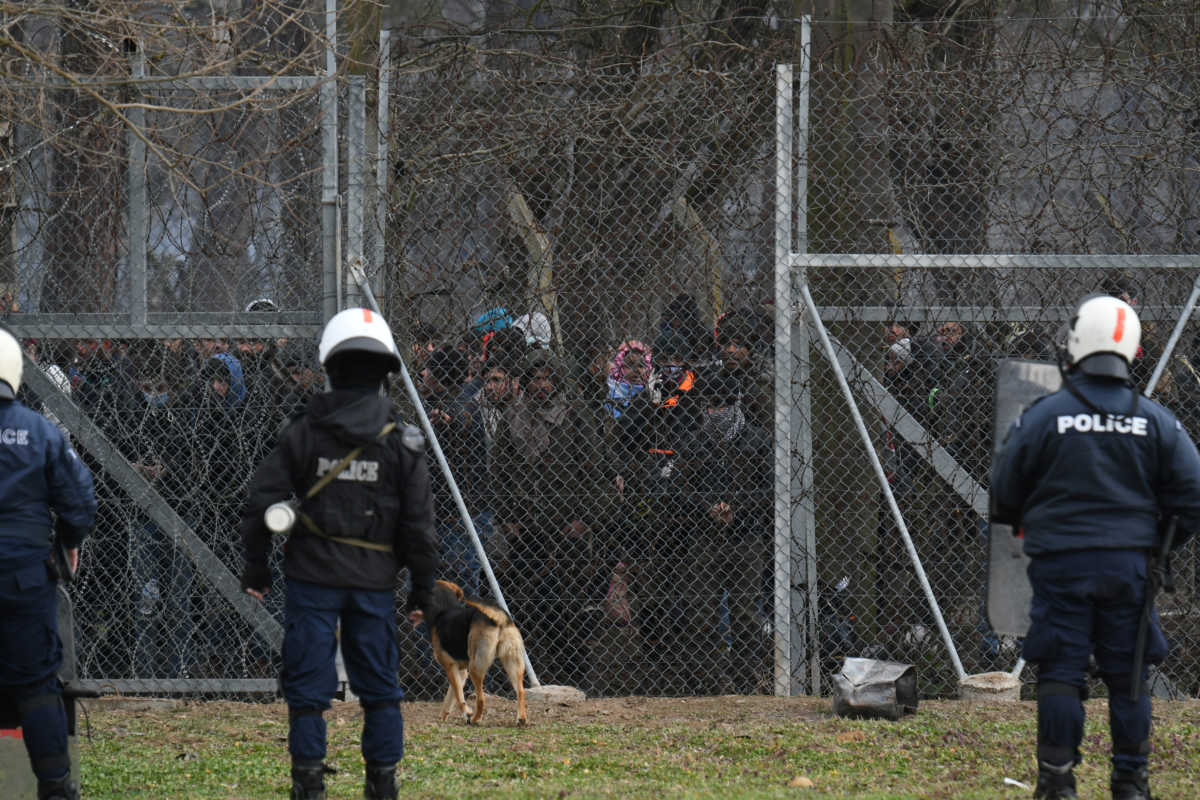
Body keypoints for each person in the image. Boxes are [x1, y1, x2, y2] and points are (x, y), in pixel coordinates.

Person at [990, 294, 1200, 800]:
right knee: (1128, 675)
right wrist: (1161, 546)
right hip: (1130, 566)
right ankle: (1131, 782)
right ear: (1132, 349)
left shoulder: (1046, 416)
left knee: (1060, 671)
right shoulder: (1155, 420)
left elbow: (1003, 490)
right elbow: (1193, 495)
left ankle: (1057, 781)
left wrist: (1025, 521)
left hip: (1062, 563)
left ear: (1077, 343)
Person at [239, 307, 439, 800]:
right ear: (385, 372)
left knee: (307, 688)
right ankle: (382, 784)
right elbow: (419, 525)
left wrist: (258, 567)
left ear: (329, 363)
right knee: (380, 687)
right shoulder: (400, 442)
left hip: (311, 577)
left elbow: (259, 502)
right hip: (374, 582)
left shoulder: (304, 431)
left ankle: (308, 783)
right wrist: (423, 589)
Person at [0, 324, 98, 800]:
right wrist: (67, 541)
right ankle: (55, 787)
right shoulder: (39, 432)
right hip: (22, 573)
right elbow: (80, 500)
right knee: (38, 683)